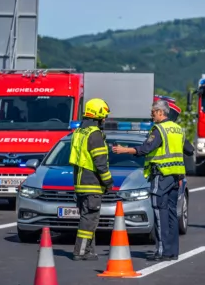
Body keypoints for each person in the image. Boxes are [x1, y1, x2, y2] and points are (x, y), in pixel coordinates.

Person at [112, 100, 194, 262]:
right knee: (171, 213)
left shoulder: (159, 129)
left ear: (161, 112)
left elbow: (145, 149)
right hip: (176, 176)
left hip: (161, 175)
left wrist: (124, 150)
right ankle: (172, 251)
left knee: (159, 211)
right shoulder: (178, 129)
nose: (151, 115)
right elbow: (190, 150)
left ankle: (162, 250)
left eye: (153, 112)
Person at [69, 98, 114, 260]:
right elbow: (101, 163)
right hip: (92, 183)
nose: (104, 119)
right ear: (98, 115)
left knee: (87, 218)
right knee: (89, 220)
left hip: (79, 183)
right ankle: (80, 252)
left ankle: (89, 251)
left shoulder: (79, 132)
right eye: (104, 116)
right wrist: (108, 183)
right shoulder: (95, 134)